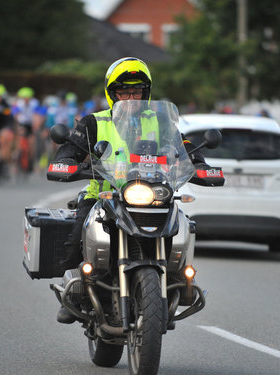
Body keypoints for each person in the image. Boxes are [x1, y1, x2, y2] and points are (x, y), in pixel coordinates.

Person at [52, 57, 216, 324]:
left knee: (181, 226)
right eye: (124, 91)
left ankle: (177, 283)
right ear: (112, 93)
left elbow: (183, 145)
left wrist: (199, 164)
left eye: (136, 91)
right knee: (77, 234)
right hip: (104, 194)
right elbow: (70, 148)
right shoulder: (94, 122)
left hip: (153, 194)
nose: (130, 97)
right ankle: (74, 292)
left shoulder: (161, 122)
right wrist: (66, 162)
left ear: (146, 92)